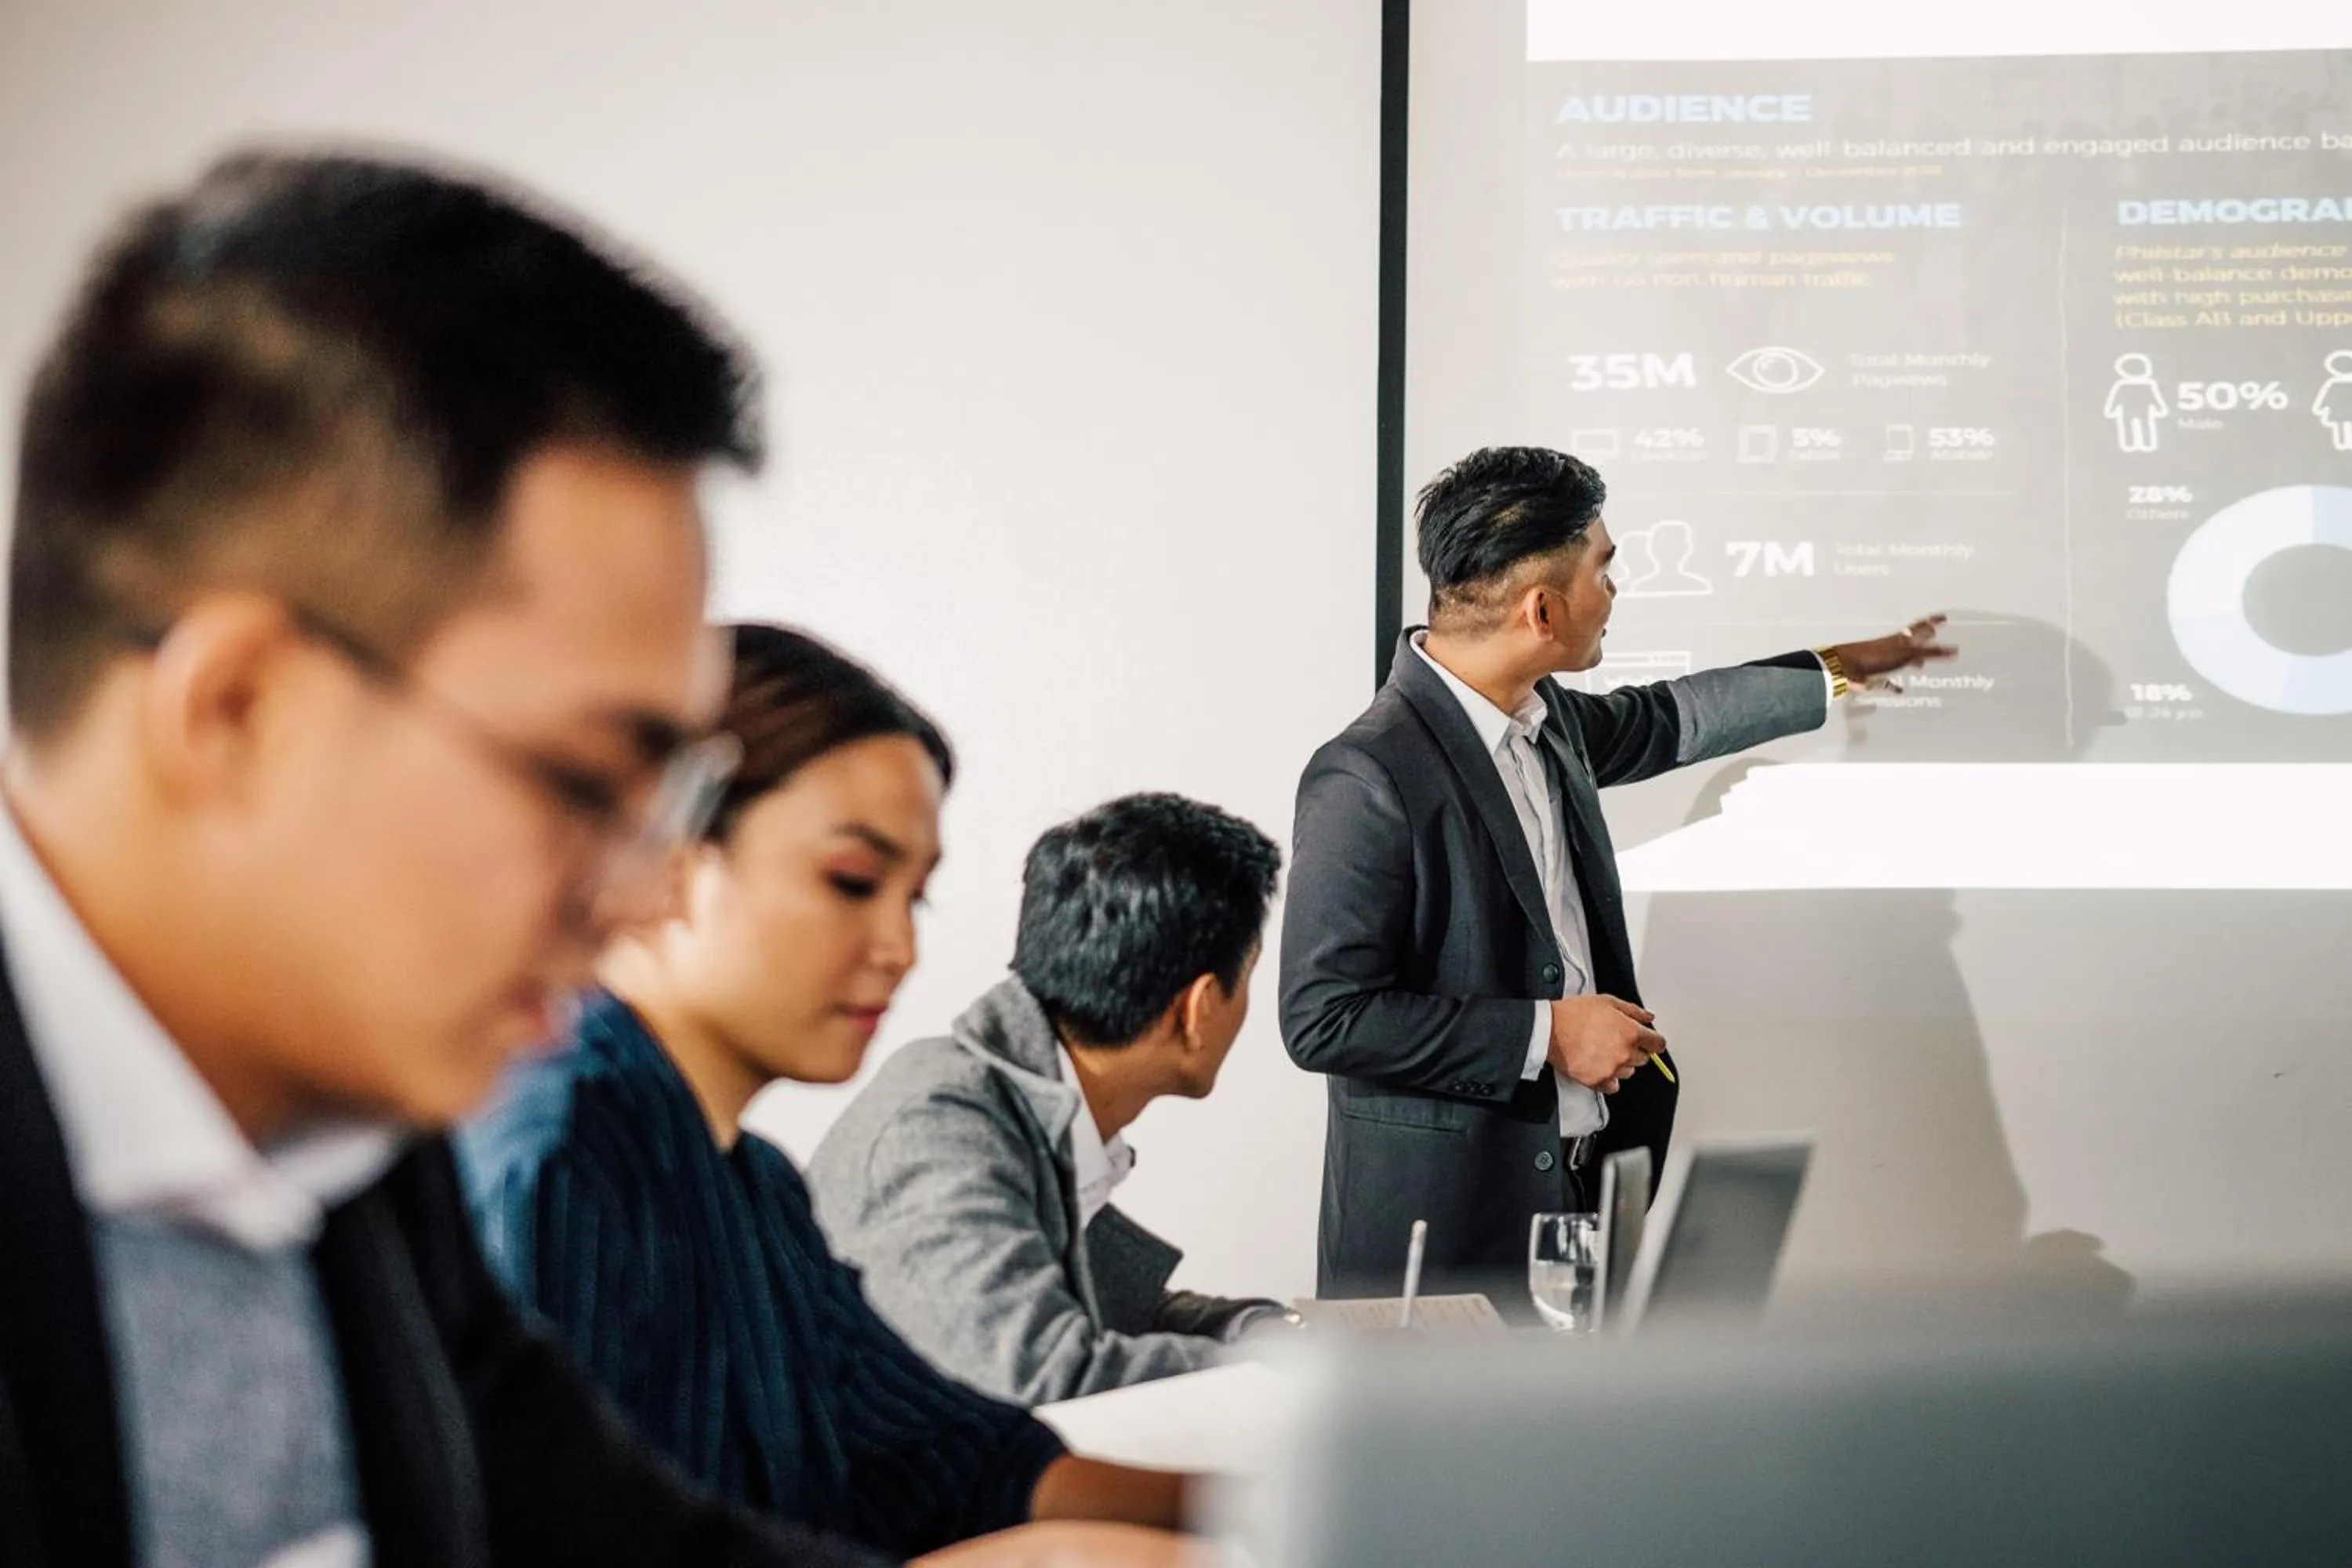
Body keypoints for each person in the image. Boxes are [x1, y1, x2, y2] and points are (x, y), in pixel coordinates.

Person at [0, 149, 1180, 1568]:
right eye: (581, 783)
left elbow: (639, 1544)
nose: (637, 890)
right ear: (240, 709)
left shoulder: (358, 1145)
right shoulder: (525, 1134)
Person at [458, 627, 1199, 1560]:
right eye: (852, 881)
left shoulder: (753, 1182)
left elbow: (953, 1455)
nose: (901, 947)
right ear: (674, 859)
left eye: (913, 897)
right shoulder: (560, 1153)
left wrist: (1282, 1504)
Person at [1279, 445, 1955, 1306]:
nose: (1616, 589)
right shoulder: (1367, 775)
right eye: (1607, 567)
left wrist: (1840, 667)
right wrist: (1548, 1034)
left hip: (1572, 1198)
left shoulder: (1546, 715)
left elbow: (1672, 718)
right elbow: (1324, 1018)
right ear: (1543, 608)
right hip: (1443, 1237)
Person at [809, 793, 1290, 1407]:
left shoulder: (1023, 1099)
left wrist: (1272, 1334)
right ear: (1195, 1011)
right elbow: (1043, 1376)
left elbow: (1114, 1310)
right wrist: (1301, 1378)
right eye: (1246, 978)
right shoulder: (939, 1126)